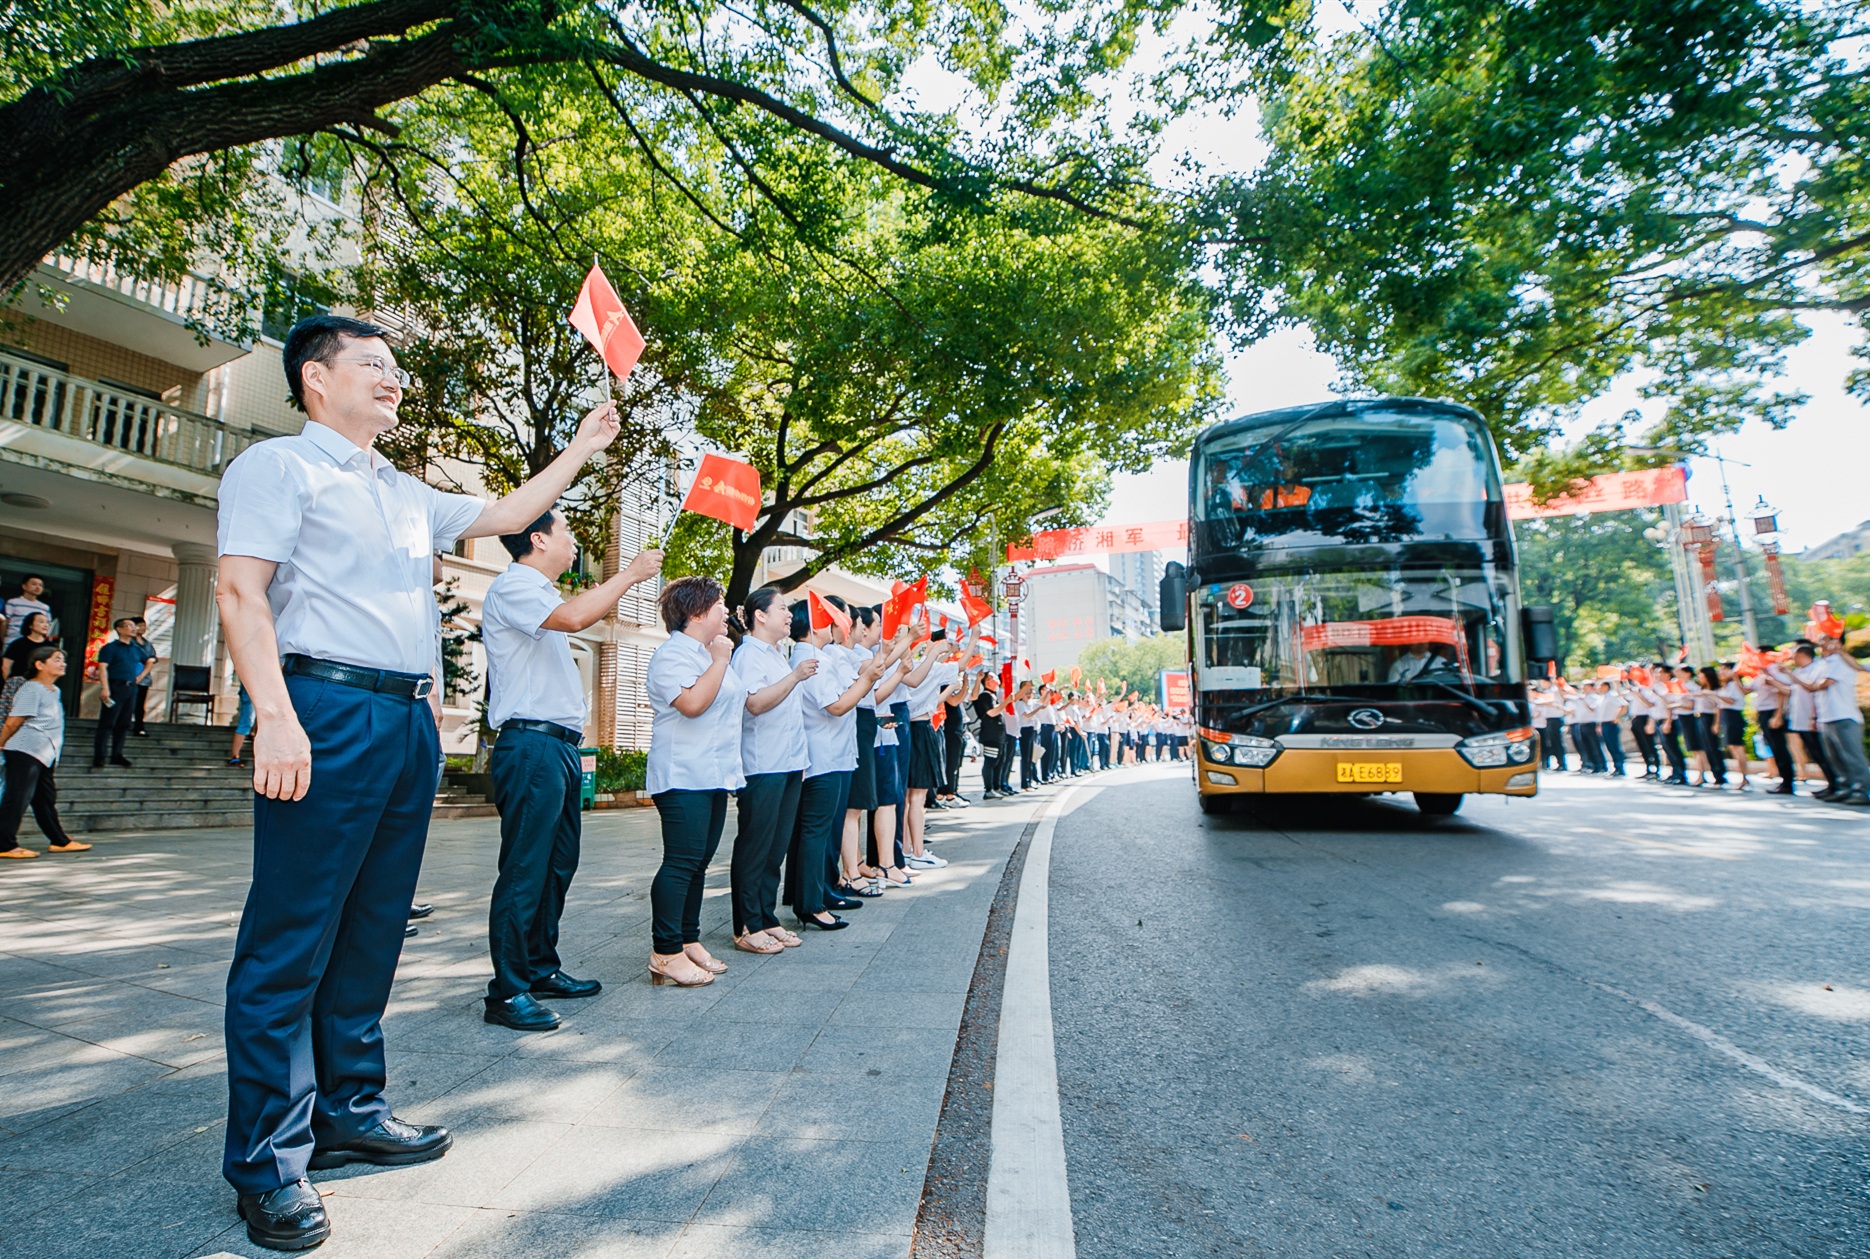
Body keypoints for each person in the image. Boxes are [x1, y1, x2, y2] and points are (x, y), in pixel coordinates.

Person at [213, 314, 623, 1251]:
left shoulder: (400, 489)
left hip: (406, 720)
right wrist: (274, 713)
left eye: (397, 367)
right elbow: (240, 591)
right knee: (291, 938)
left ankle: (350, 1109)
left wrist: (583, 446)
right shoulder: (279, 468)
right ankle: (269, 1162)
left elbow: (508, 516)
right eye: (374, 364)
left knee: (372, 926)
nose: (393, 379)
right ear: (316, 379)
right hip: (323, 702)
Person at [481, 508, 662, 1031]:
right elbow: (575, 619)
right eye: (567, 533)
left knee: (557, 864)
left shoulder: (541, 594)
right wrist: (628, 574)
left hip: (557, 747)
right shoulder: (515, 586)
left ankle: (540, 967)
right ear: (538, 539)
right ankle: (507, 990)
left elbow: (578, 614)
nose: (574, 542)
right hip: (532, 745)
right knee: (524, 869)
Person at [643, 576, 744, 985]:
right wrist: (721, 660)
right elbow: (692, 704)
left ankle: (688, 940)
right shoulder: (672, 656)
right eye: (720, 604)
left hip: (713, 773)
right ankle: (665, 952)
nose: (726, 611)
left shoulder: (707, 653)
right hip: (682, 773)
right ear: (697, 611)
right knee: (681, 862)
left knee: (699, 863)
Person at [729, 587, 816, 955]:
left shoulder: (777, 654)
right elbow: (755, 703)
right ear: (759, 615)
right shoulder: (749, 655)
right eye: (781, 608)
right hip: (762, 764)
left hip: (789, 762)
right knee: (755, 845)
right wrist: (795, 677)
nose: (788, 615)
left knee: (775, 847)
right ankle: (747, 924)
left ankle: (766, 917)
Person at [0, 646, 91, 859]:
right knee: (18, 797)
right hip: (25, 749)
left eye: (63, 659)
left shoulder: (54, 690)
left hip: (44, 752)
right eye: (56, 659)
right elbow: (15, 720)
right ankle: (4, 844)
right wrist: (1, 742)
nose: (63, 663)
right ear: (40, 665)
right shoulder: (32, 688)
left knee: (44, 798)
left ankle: (59, 841)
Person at [1795, 636, 1870, 806]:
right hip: (1827, 716)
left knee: (1852, 756)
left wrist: (1840, 651)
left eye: (1828, 639)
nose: (1822, 642)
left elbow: (1820, 684)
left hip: (1844, 715)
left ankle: (1861, 791)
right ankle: (1844, 788)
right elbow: (1813, 685)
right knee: (1835, 757)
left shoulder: (1840, 662)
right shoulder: (1823, 663)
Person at [92, 617, 148, 769]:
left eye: (133, 626)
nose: (133, 628)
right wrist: (105, 688)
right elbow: (102, 668)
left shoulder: (136, 648)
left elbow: (150, 660)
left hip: (131, 688)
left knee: (124, 723)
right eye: (129, 626)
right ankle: (100, 755)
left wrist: (140, 676)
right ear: (119, 629)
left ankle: (117, 754)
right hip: (115, 686)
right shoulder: (110, 648)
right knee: (107, 722)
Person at [1755, 651, 1797, 793]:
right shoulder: (1762, 672)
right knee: (1774, 748)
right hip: (1764, 713)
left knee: (1780, 748)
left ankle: (1788, 783)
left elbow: (1783, 691)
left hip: (1773, 712)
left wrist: (1778, 715)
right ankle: (1784, 781)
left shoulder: (1776, 670)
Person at [1714, 663, 1752, 791]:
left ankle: (1744, 777)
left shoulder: (1734, 685)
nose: (1721, 673)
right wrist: (1717, 723)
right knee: (1732, 747)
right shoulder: (1723, 686)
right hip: (1726, 716)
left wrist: (1715, 695)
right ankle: (1742, 777)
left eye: (1724, 670)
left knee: (1737, 746)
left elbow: (1732, 700)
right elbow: (1719, 707)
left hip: (1734, 716)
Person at [3, 575, 54, 648]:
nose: (37, 587)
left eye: (40, 585)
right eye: (34, 584)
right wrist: (3, 639)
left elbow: (48, 627)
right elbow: (4, 623)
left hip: (34, 645)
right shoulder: (13, 602)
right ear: (24, 586)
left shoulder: (45, 608)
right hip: (12, 641)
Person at [3, 610, 52, 680]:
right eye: (41, 622)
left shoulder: (50, 646)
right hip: (17, 683)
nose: (45, 625)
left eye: (47, 622)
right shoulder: (17, 644)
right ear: (30, 625)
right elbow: (6, 666)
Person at [128, 616, 157, 735]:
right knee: (127, 703)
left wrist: (141, 676)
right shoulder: (129, 642)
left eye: (144, 625)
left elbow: (152, 660)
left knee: (140, 705)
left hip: (143, 679)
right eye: (140, 625)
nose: (142, 628)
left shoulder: (148, 644)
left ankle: (139, 727)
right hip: (128, 678)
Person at [228, 683, 255, 768]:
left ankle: (252, 733)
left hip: (253, 688)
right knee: (246, 722)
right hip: (252, 688)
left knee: (248, 720)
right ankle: (234, 756)